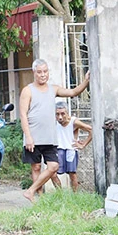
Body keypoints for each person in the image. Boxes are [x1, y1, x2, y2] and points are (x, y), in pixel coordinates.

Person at [19, 59, 89, 202]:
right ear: (34, 73)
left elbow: (73, 92)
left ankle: (30, 191)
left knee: (53, 166)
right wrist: (28, 137)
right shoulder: (28, 90)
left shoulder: (53, 89)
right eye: (39, 72)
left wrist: (86, 81)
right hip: (33, 136)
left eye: (45, 71)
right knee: (36, 167)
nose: (43, 75)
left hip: (50, 137)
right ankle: (38, 199)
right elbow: (23, 115)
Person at [54, 101, 92, 192]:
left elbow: (91, 130)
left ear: (67, 113)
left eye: (63, 114)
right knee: (52, 172)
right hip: (59, 149)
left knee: (72, 173)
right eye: (57, 114)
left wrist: (84, 144)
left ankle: (75, 196)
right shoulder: (53, 122)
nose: (60, 117)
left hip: (71, 149)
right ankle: (60, 193)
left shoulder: (73, 122)